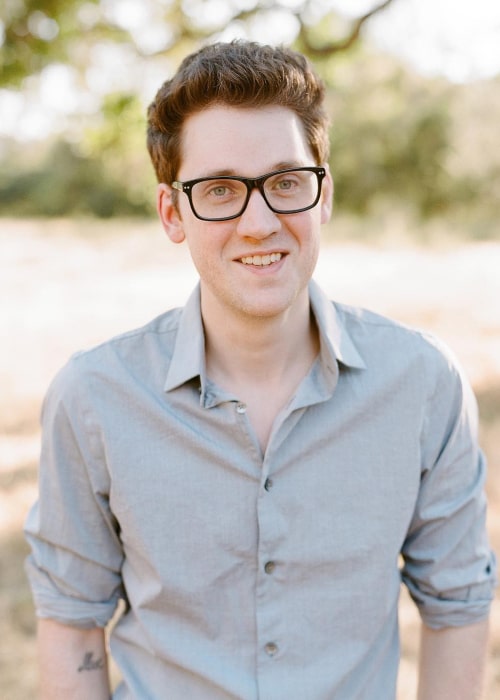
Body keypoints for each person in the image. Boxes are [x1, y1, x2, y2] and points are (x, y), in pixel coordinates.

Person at [25, 40, 496, 700]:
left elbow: (457, 605)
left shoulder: (422, 384)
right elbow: (72, 620)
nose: (259, 222)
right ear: (172, 213)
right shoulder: (94, 398)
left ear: (323, 195)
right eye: (220, 190)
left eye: (286, 182)